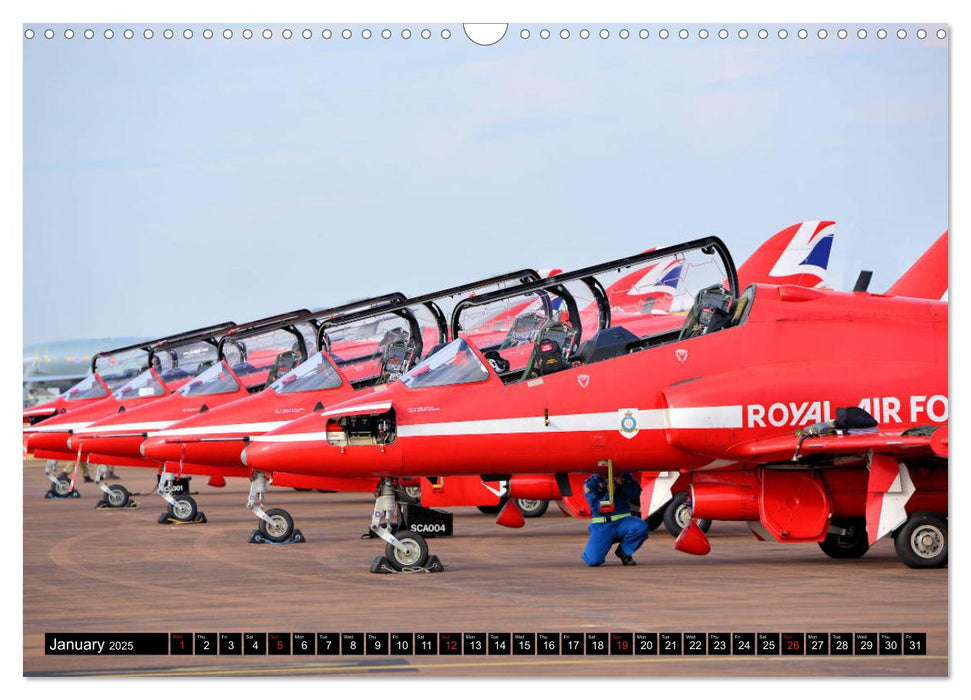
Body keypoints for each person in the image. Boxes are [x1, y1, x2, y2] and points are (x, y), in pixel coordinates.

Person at [581, 471, 649, 566]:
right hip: (603, 525)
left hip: (623, 522)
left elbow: (636, 494)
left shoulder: (625, 476)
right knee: (593, 561)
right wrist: (610, 494)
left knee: (640, 527)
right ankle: (598, 540)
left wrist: (621, 482)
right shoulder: (591, 483)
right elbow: (597, 508)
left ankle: (624, 551)